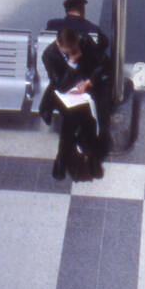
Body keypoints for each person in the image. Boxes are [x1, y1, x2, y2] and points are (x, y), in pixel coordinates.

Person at [39, 27, 105, 180]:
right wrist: (72, 62)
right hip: (61, 93)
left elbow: (101, 64)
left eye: (74, 49)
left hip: (85, 89)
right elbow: (60, 85)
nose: (72, 52)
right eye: (68, 51)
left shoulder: (84, 41)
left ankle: (63, 157)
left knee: (81, 116)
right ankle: (89, 154)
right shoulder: (49, 55)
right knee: (75, 116)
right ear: (58, 44)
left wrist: (88, 82)